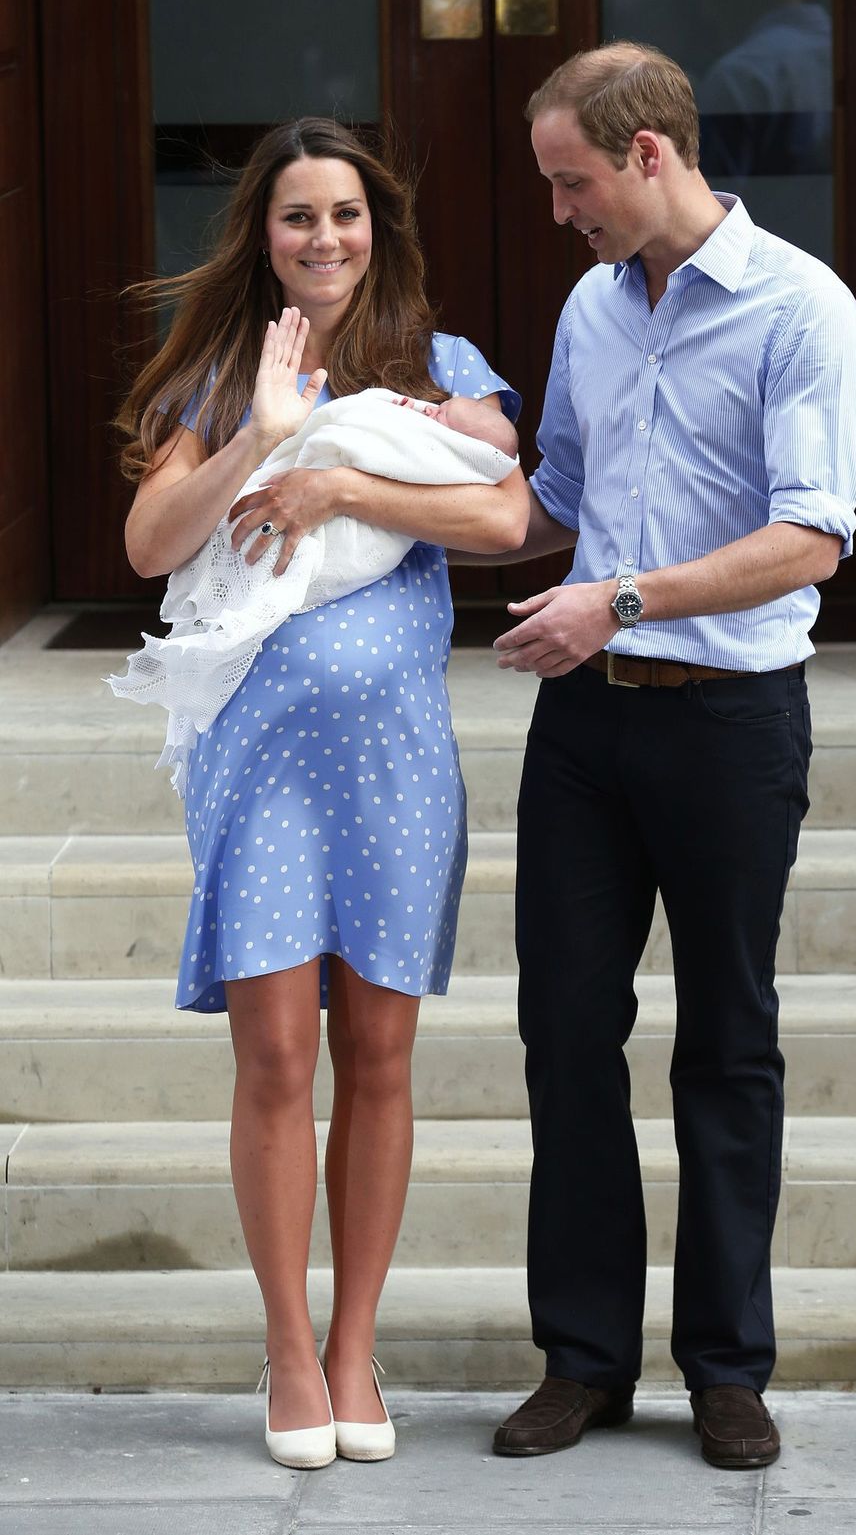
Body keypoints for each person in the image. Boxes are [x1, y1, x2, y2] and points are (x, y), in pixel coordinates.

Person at [478, 42, 856, 1467]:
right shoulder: (593, 306)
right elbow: (558, 503)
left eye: (573, 180)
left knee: (727, 1042)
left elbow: (808, 537)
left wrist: (620, 596)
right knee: (564, 1037)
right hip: (585, 727)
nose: (562, 209)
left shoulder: (801, 308)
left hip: (729, 721)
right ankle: (582, 1357)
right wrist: (405, 468)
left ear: (650, 155)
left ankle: (725, 1366)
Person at [116, 116, 527, 1469]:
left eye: (345, 214)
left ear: (378, 227)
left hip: (395, 755)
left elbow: (507, 521)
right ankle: (288, 1352)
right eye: (298, 216)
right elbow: (148, 543)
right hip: (262, 761)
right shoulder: (224, 370)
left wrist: (341, 477)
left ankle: (357, 1349)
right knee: (279, 1054)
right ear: (263, 231)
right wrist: (265, 444)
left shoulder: (438, 368)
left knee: (383, 1054)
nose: (324, 239)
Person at [110, 389, 518, 794]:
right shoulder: (219, 378)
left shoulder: (447, 363)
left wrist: (339, 490)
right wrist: (257, 436)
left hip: (394, 735)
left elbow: (504, 521)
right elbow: (148, 550)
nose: (427, 411)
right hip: (247, 734)